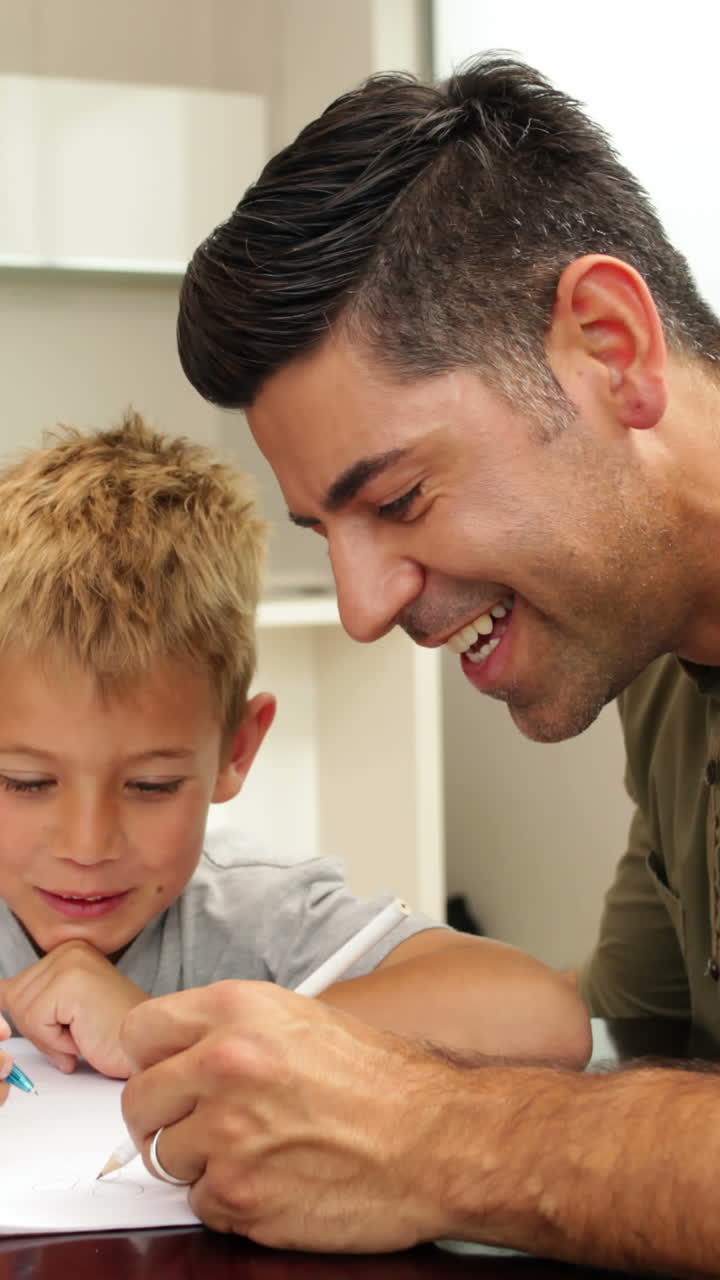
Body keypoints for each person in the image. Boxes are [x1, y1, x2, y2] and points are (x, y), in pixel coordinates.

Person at [121, 52, 720, 1272]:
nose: (361, 608)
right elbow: (627, 1043)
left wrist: (434, 1132)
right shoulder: (667, 666)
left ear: (610, 348)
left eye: (397, 497)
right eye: (326, 532)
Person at [0, 411, 589, 1109]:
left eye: (151, 785)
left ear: (236, 750)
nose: (87, 845)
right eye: (25, 782)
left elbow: (543, 1020)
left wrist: (168, 1030)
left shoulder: (259, 915)